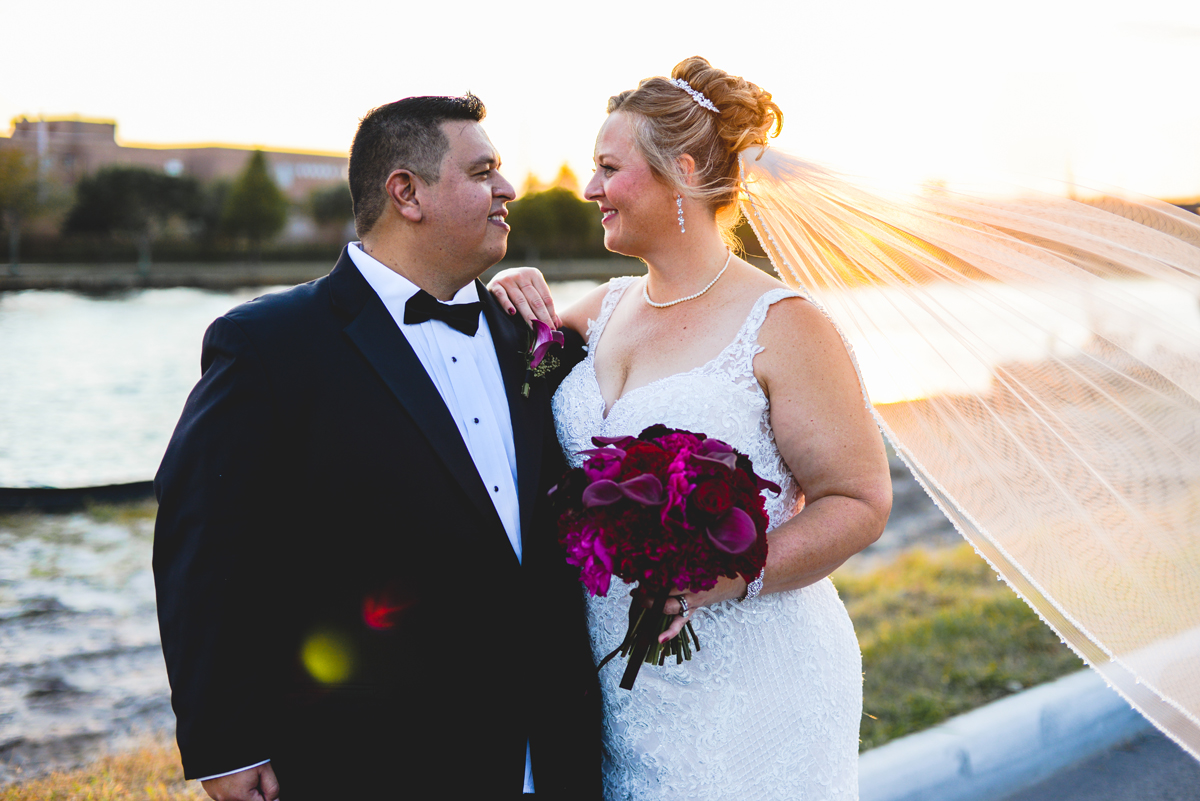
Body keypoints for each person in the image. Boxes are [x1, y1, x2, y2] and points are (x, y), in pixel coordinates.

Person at [153, 94, 602, 801]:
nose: (508, 189)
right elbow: (202, 550)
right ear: (407, 192)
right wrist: (226, 742)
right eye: (483, 171)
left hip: (548, 749)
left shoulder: (526, 333)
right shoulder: (269, 344)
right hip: (369, 753)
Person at [492, 57, 893, 799]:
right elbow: (515, 379)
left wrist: (717, 576)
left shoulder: (784, 325)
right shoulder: (602, 309)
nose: (589, 189)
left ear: (679, 172)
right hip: (624, 689)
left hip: (757, 685)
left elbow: (861, 499)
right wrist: (506, 291)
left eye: (609, 167)